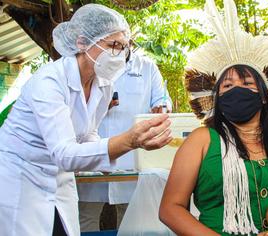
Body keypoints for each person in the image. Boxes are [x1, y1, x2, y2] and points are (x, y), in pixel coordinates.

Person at [159, 0, 268, 235]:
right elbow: (171, 209)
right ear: (217, 98)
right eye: (227, 85)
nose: (237, 90)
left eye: (246, 84)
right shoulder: (201, 141)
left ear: (264, 96)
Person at [0, 4, 172, 236]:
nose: (120, 55)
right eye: (113, 45)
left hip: (59, 179)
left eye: (123, 48)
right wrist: (129, 141)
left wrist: (103, 161)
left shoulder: (103, 83)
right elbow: (63, 153)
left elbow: (88, 132)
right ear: (82, 43)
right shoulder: (49, 82)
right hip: (21, 175)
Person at [77, 44, 172, 232]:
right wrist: (101, 104)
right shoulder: (92, 64)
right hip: (93, 150)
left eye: (120, 42)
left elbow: (162, 99)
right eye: (111, 43)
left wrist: (161, 107)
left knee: (131, 217)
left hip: (132, 156)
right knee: (86, 215)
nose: (116, 48)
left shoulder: (146, 67)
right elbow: (76, 103)